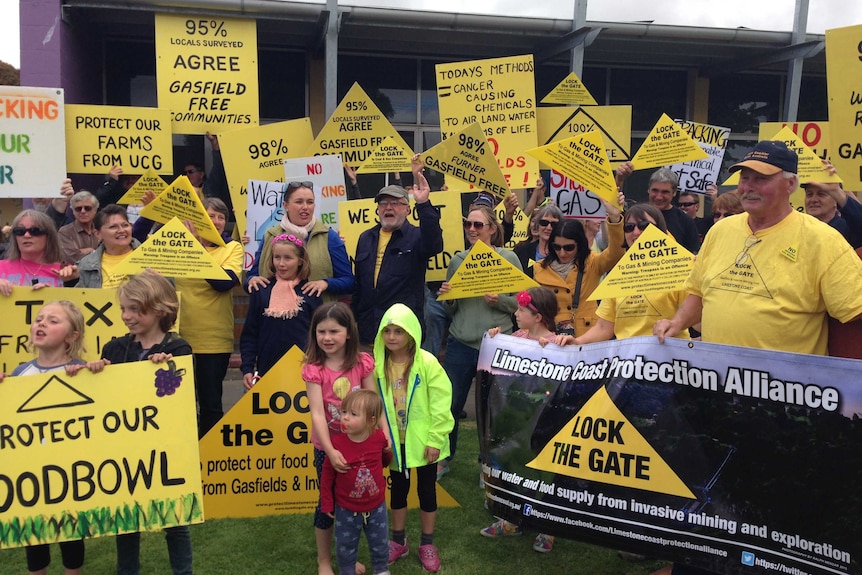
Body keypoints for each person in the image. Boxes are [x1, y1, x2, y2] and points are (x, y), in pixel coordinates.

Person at [654, 139, 862, 358]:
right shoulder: (720, 230)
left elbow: (854, 309)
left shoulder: (823, 239)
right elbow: (698, 292)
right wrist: (676, 323)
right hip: (715, 379)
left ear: (790, 185)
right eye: (745, 178)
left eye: (761, 179)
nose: (748, 187)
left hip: (782, 386)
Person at [87, 270, 194, 575]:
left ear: (160, 309)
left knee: (175, 522)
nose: (127, 316)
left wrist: (165, 371)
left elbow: (180, 399)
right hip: (125, 450)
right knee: (127, 522)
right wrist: (97, 371)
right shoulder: (114, 349)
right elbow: (105, 400)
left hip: (166, 450)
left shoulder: (178, 349)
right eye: (124, 309)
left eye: (135, 309)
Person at [1, 301, 88, 575]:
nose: (41, 324)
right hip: (32, 473)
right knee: (34, 532)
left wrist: (94, 373)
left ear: (72, 336)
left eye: (52, 321)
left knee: (71, 534)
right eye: (39, 319)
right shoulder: (19, 374)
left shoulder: (83, 373)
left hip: (71, 470)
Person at [437, 204, 521, 478]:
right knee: (449, 405)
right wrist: (448, 298)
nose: (472, 229)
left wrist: (500, 300)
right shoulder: (457, 261)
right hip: (460, 343)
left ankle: (491, 466)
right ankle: (443, 458)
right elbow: (451, 310)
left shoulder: (508, 257)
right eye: (468, 225)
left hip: (496, 344)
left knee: (494, 410)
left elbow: (521, 304)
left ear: (493, 229)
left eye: (478, 225)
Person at [375, 303, 454, 573]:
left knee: (426, 491)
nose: (392, 337)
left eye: (399, 331)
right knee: (397, 490)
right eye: (387, 331)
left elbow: (441, 404)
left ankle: (427, 543)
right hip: (394, 443)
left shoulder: (427, 363)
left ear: (411, 333)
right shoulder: (378, 365)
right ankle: (399, 541)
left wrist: (435, 439)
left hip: (424, 443)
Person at [481, 286, 558, 553]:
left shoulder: (558, 344)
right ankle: (512, 517)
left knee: (544, 472)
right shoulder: (516, 336)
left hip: (542, 422)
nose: (516, 313)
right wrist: (495, 341)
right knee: (513, 466)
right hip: (516, 419)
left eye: (522, 310)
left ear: (538, 317)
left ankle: (548, 525)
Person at [303, 302, 376, 575]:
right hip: (327, 448)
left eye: (334, 330)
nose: (327, 337)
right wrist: (331, 451)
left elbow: (374, 403)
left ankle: (348, 557)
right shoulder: (314, 369)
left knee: (354, 503)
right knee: (327, 504)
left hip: (361, 447)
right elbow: (318, 414)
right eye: (321, 331)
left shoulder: (362, 363)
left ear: (349, 332)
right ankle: (324, 561)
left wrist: (384, 436)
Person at [553, 204, 688, 344]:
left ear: (660, 229)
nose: (635, 232)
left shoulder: (678, 268)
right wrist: (576, 342)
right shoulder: (621, 272)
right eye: (629, 227)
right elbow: (603, 327)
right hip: (627, 360)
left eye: (644, 226)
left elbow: (698, 318)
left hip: (669, 359)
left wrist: (675, 323)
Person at [352, 155, 443, 345]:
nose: (388, 208)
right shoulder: (365, 238)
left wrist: (424, 203)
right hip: (368, 331)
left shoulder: (417, 237)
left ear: (408, 209)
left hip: (402, 332)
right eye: (383, 203)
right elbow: (359, 286)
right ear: (377, 209)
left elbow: (434, 244)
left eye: (395, 203)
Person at [173, 198, 243, 437]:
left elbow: (222, 283)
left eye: (221, 217)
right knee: (178, 404)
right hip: (176, 338)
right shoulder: (177, 247)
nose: (216, 221)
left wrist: (197, 250)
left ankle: (209, 456)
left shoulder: (232, 248)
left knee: (211, 404)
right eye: (210, 216)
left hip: (213, 342)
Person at [320, 389, 393, 575]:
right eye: (344, 412)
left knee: (380, 543)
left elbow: (385, 461)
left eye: (353, 414)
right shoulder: (337, 444)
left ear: (371, 420)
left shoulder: (379, 439)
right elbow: (327, 476)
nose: (345, 417)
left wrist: (386, 452)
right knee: (345, 546)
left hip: (377, 507)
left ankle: (381, 570)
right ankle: (347, 570)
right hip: (346, 509)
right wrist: (327, 503)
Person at [533, 193, 625, 336]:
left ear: (579, 244)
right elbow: (534, 307)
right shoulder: (539, 267)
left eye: (569, 247)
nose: (562, 253)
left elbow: (617, 253)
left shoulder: (592, 262)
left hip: (586, 336)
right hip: (551, 337)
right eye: (557, 247)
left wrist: (614, 218)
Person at [245, 180, 354, 303]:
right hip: (274, 316)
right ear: (285, 205)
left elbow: (349, 281)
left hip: (316, 317)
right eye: (299, 202)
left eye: (310, 202)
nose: (305, 207)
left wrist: (326, 283)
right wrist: (251, 280)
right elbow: (251, 276)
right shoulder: (270, 235)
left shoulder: (328, 236)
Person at [241, 233, 322, 390]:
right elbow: (250, 334)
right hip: (267, 368)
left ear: (300, 261)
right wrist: (247, 367)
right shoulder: (261, 290)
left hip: (303, 371)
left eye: (288, 258)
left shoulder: (310, 292)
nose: (281, 263)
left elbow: (318, 335)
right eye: (277, 257)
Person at [616, 163, 701, 253]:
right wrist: (619, 180)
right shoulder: (634, 214)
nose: (659, 197)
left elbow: (694, 253)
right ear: (648, 189)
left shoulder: (685, 221)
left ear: (674, 193)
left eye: (665, 192)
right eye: (655, 190)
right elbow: (615, 242)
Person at [58, 204, 140, 288]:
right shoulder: (85, 265)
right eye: (113, 227)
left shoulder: (149, 257)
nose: (121, 230)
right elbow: (76, 298)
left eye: (125, 225)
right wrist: (71, 281)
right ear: (97, 234)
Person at [0, 209, 65, 292]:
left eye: (35, 231)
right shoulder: (1, 267)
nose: (26, 235)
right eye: (20, 231)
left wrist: (51, 294)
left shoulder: (65, 271)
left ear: (49, 236)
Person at [802, 160, 862, 249]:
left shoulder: (846, 228)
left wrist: (836, 191)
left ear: (835, 200)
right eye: (809, 194)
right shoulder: (799, 228)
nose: (813, 200)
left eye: (821, 194)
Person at [512, 203, 563, 275]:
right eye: (544, 222)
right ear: (537, 225)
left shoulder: (564, 253)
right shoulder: (522, 250)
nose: (548, 227)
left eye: (554, 224)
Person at [58, 190, 100, 264]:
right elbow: (72, 258)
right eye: (78, 209)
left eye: (87, 208)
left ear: (95, 210)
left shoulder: (101, 229)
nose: (83, 211)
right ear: (73, 212)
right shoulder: (65, 232)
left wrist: (83, 251)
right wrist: (94, 251)